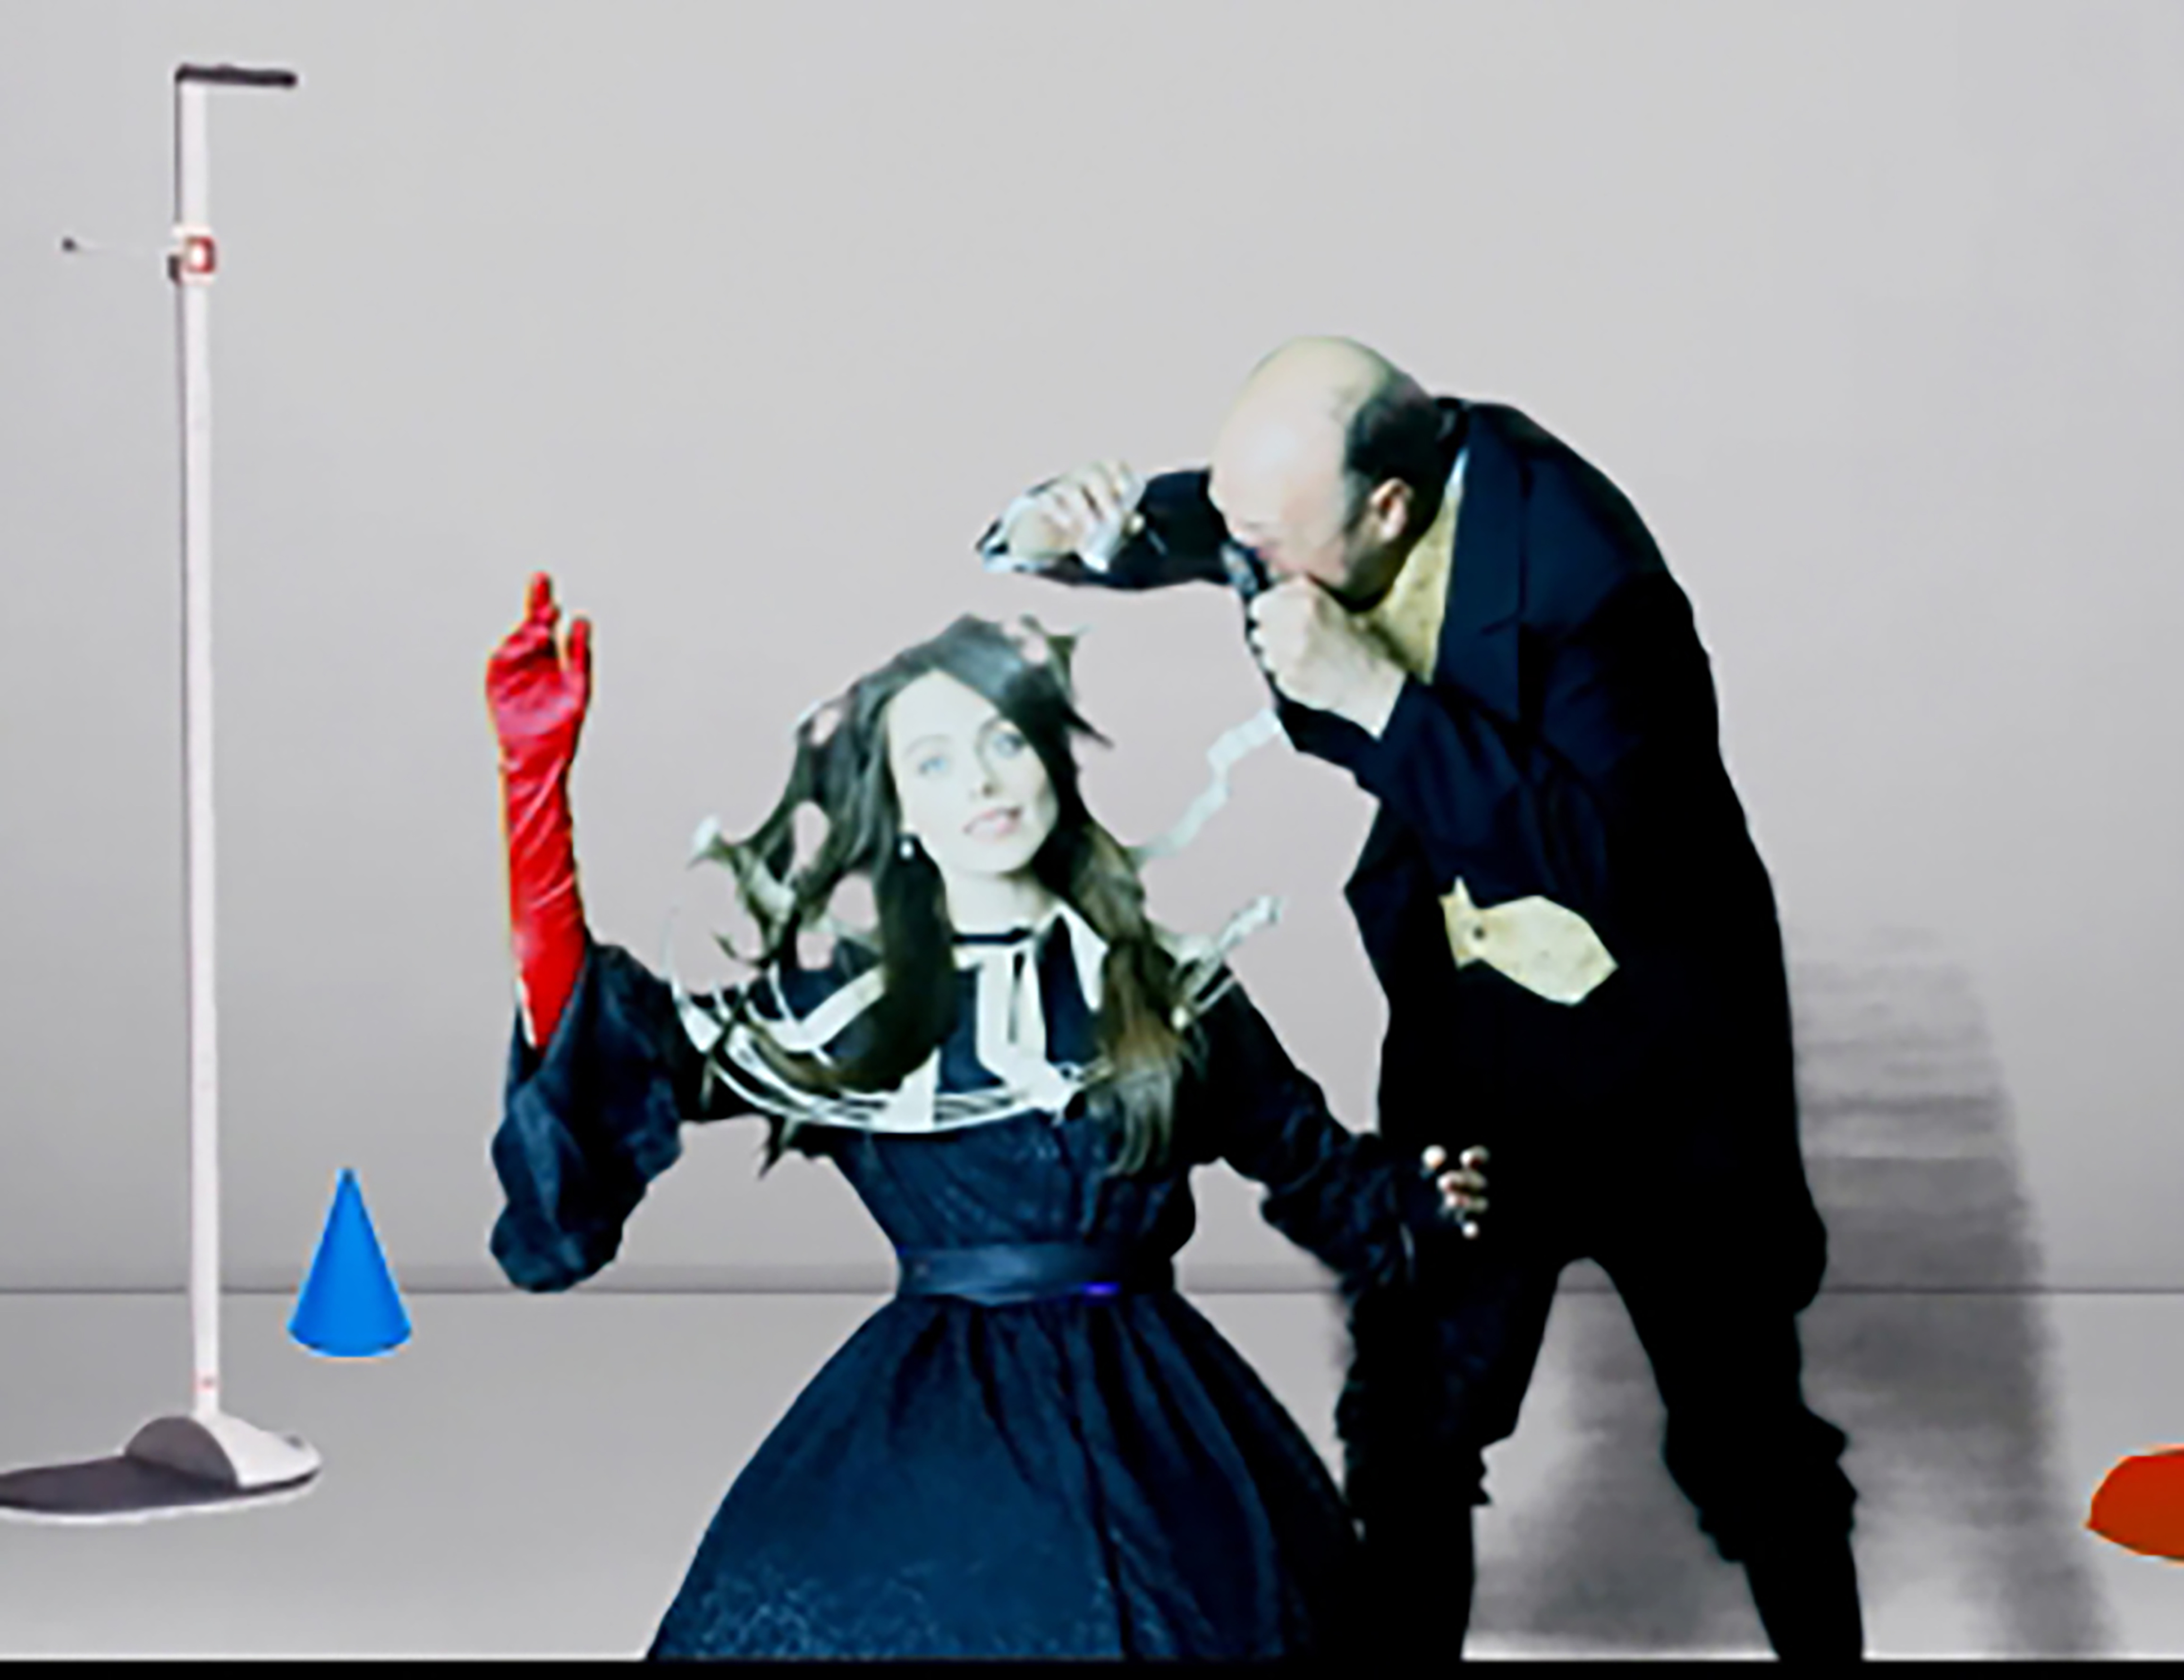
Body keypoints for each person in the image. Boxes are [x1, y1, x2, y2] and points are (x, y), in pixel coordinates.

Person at [975, 336, 1865, 1660]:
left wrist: (1378, 702)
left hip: (1665, 1067)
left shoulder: (1598, 591)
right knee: (1409, 1420)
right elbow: (1227, 519)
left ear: (1389, 507)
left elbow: (1615, 865)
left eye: (1267, 542)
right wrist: (1086, 537)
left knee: (1744, 1439)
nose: (1248, 567)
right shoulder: (1329, 500)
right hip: (1477, 1042)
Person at [479, 572, 1493, 1660]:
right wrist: (535, 791)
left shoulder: (1172, 992)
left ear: (1053, 759)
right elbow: (601, 1040)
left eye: (1005, 740)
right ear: (901, 815)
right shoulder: (851, 1013)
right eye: (933, 762)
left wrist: (1426, 1197)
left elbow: (1317, 1170)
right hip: (935, 1419)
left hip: (1160, 1417)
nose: (981, 780)